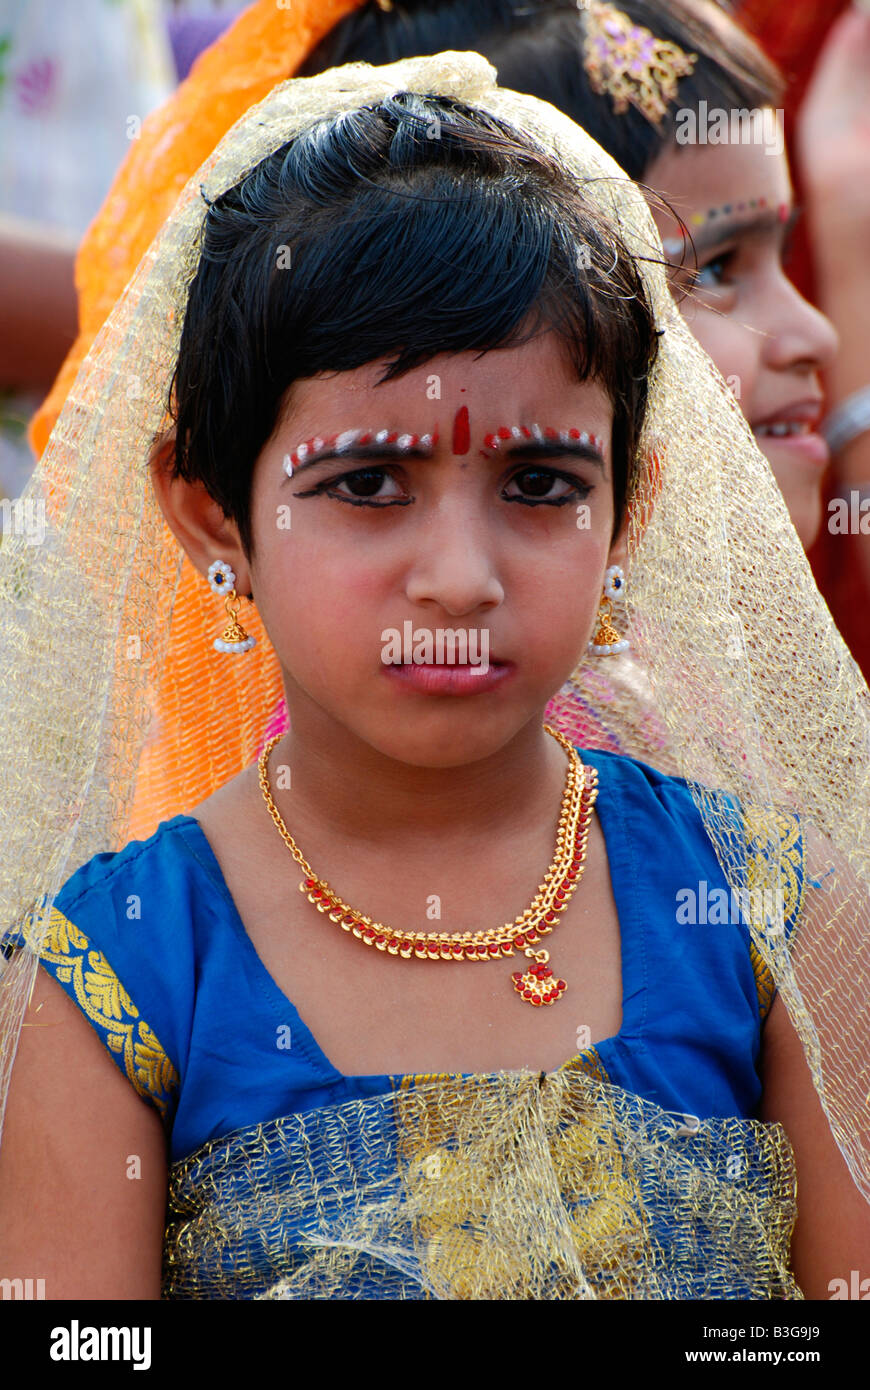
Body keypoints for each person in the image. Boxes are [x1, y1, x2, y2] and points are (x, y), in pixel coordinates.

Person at [0, 52, 867, 1300]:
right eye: (366, 486)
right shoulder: (113, 981)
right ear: (212, 515)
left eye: (540, 486)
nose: (460, 577)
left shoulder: (776, 921)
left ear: (628, 513)